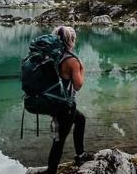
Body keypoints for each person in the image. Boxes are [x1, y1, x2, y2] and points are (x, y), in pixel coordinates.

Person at [46, 26, 92, 173]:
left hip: (52, 100)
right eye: (74, 39)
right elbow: (78, 86)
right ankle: (51, 171)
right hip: (65, 105)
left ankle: (80, 154)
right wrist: (82, 70)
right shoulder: (71, 60)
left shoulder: (51, 55)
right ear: (70, 40)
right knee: (59, 141)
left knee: (80, 120)